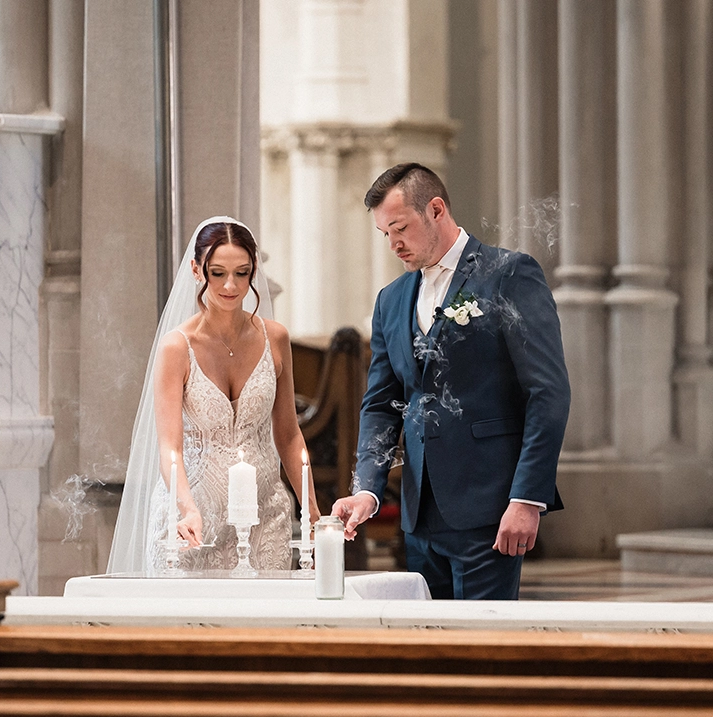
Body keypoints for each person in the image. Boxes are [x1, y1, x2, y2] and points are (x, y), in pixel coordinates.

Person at [331, 164, 570, 600]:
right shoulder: (392, 300)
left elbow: (547, 393)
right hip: (419, 516)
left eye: (400, 228)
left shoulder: (509, 275)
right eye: (385, 233)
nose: (393, 244)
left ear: (436, 209)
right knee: (432, 650)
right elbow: (382, 404)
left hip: (491, 509)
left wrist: (527, 498)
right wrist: (367, 488)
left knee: (486, 651)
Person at [107, 217, 319, 574]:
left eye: (242, 272)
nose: (231, 285)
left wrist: (310, 506)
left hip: (263, 517)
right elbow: (169, 446)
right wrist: (186, 506)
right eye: (218, 272)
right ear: (196, 269)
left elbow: (287, 434)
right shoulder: (177, 347)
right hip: (191, 522)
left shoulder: (276, 338)